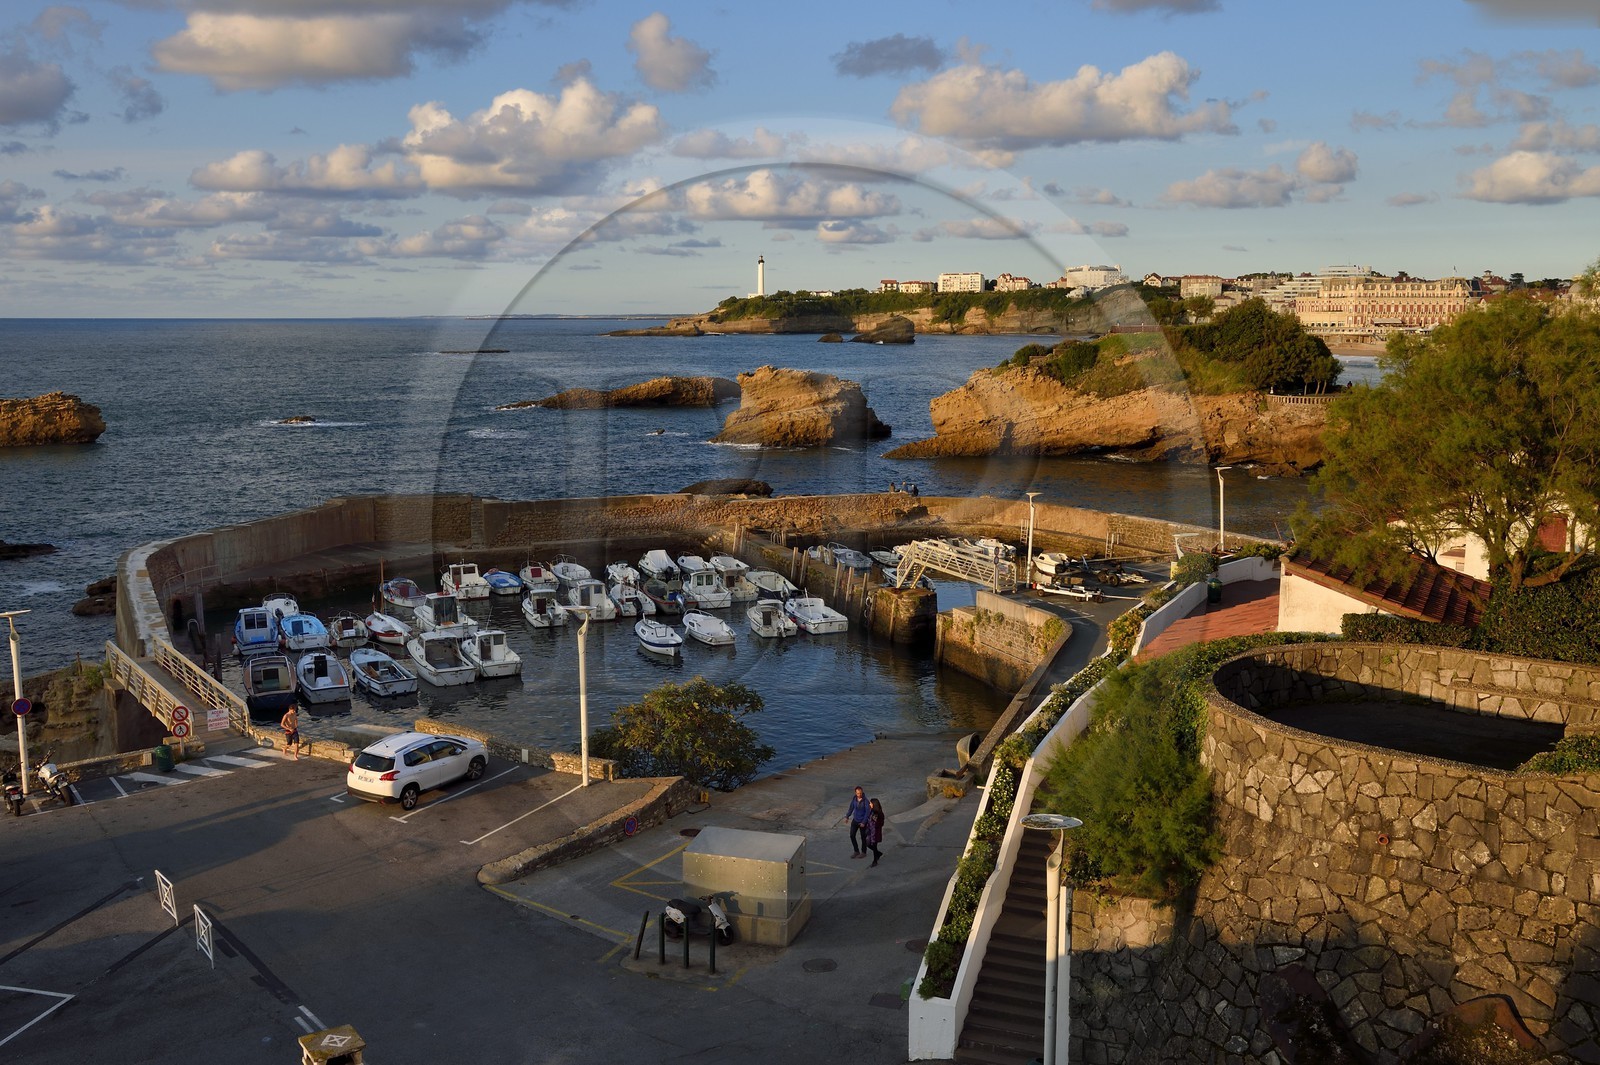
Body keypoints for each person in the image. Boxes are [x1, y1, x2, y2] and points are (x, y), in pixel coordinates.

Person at [845, 785, 870, 858]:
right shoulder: (854, 799)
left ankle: (863, 852)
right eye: (858, 793)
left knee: (863, 837)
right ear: (855, 793)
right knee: (852, 835)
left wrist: (864, 822)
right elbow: (851, 808)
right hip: (855, 820)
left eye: (861, 793)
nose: (860, 795)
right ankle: (856, 851)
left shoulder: (865, 801)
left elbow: (867, 813)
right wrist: (847, 816)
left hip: (862, 822)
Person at [866, 797, 885, 867]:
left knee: (874, 846)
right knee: (868, 844)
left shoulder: (879, 814)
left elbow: (880, 823)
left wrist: (874, 822)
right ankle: (878, 853)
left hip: (875, 833)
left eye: (871, 803)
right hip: (869, 831)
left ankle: (875, 860)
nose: (869, 804)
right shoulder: (871, 811)